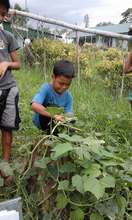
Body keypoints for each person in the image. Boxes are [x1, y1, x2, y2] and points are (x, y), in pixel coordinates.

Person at [0, 0, 21, 181]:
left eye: (1, 14)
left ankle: (5, 166)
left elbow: (18, 63)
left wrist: (7, 63)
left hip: (8, 88)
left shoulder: (7, 36)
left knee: (7, 128)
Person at [31, 59, 74, 134]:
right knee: (50, 108)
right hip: (42, 123)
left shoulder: (68, 97)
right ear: (53, 77)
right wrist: (54, 115)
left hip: (56, 125)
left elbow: (69, 115)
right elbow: (34, 105)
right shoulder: (46, 89)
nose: (64, 87)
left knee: (71, 123)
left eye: (68, 84)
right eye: (61, 83)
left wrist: (67, 119)